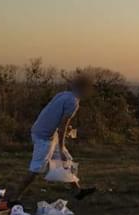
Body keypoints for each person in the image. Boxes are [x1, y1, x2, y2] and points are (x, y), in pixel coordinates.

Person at [8, 74, 97, 202]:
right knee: (36, 169)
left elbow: (55, 116)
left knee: (67, 161)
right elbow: (62, 127)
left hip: (42, 131)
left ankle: (77, 191)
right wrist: (60, 149)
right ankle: (14, 199)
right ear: (84, 89)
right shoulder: (73, 102)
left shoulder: (63, 95)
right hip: (44, 137)